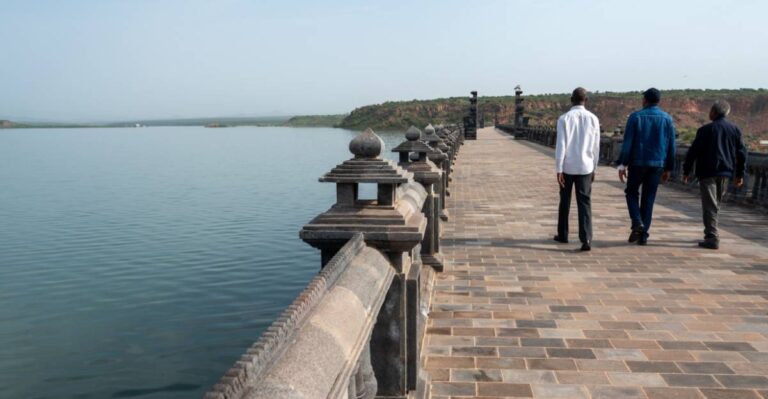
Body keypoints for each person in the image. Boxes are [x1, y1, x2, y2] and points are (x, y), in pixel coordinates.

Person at [682, 100, 747, 249]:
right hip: (725, 172)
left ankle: (712, 236)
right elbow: (742, 154)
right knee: (714, 204)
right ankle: (711, 233)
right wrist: (739, 174)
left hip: (707, 172)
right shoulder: (735, 129)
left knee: (710, 205)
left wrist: (686, 171)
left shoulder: (705, 130)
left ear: (714, 112)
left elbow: (693, 152)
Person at [616, 88, 677, 245]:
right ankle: (643, 235)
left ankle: (637, 222)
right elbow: (672, 146)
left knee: (631, 192)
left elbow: (628, 143)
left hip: (637, 162)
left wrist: (622, 164)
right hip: (657, 164)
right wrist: (669, 167)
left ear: (645, 100)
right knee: (649, 197)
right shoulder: (667, 119)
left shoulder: (636, 117)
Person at [553, 87, 601, 251]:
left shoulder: (564, 118)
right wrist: (594, 167)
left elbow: (561, 146)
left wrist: (558, 169)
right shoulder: (593, 119)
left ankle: (563, 234)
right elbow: (596, 147)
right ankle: (586, 238)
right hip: (586, 166)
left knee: (564, 201)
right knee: (584, 202)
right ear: (585, 100)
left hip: (568, 165)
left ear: (571, 99)